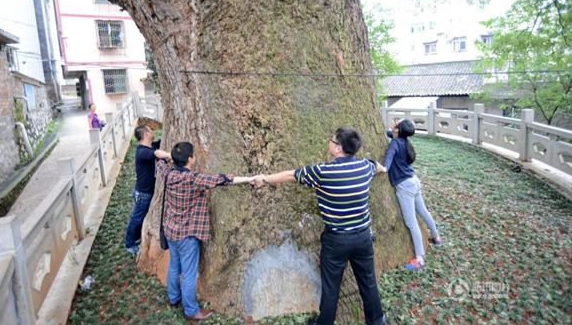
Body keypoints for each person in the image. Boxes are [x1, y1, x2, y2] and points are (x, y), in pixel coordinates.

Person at [254, 127, 386, 325]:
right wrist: (384, 169)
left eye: (332, 141)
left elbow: (291, 175)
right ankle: (377, 322)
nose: (330, 143)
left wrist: (264, 179)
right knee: (368, 282)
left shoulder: (323, 172)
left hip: (337, 241)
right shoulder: (365, 167)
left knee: (332, 287)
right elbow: (378, 167)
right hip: (363, 238)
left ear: (339, 148)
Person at [157, 142, 255, 321]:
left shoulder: (167, 173)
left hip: (170, 231)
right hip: (186, 236)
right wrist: (249, 179)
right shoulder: (193, 179)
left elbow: (159, 158)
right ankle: (191, 310)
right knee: (188, 274)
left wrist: (170, 156)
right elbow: (223, 179)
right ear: (190, 159)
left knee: (173, 264)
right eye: (192, 155)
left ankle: (173, 298)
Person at [382, 119, 441, 270]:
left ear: (398, 130)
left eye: (396, 122)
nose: (393, 122)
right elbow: (390, 135)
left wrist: (384, 168)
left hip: (405, 187)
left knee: (411, 222)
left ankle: (419, 258)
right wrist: (388, 131)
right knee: (423, 212)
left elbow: (389, 156)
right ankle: (436, 237)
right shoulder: (404, 139)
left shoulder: (396, 143)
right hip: (414, 181)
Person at [124, 125, 171, 255]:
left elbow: (160, 143)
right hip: (143, 193)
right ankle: (130, 244)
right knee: (137, 218)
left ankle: (139, 236)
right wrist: (168, 155)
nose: (152, 132)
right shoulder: (142, 151)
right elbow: (156, 154)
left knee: (143, 216)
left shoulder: (152, 146)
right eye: (150, 130)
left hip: (149, 191)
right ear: (146, 134)